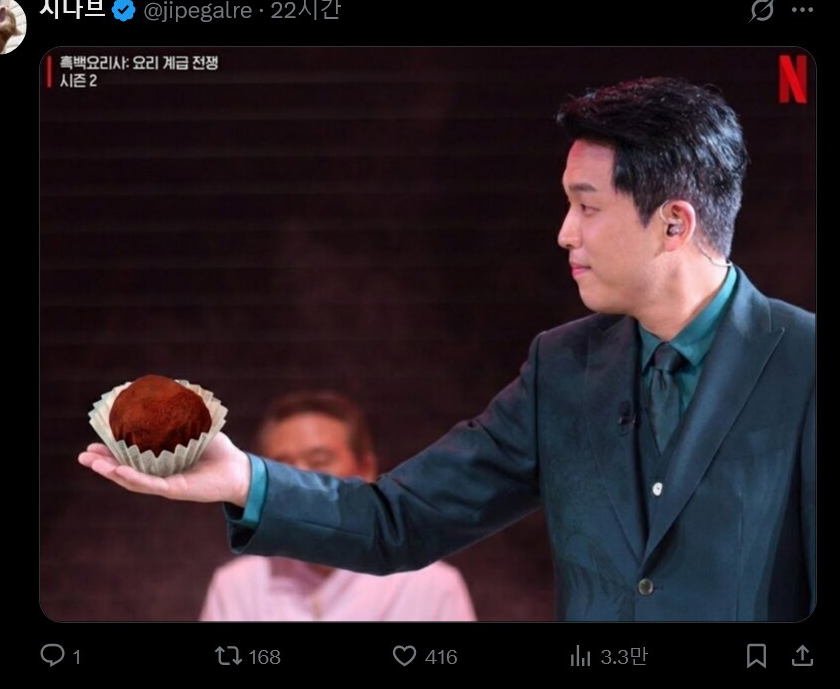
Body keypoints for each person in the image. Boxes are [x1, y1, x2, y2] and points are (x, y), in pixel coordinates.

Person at [80, 77, 815, 621]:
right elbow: (399, 520)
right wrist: (245, 479)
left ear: (675, 224)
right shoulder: (564, 369)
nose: (565, 232)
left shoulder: (804, 363)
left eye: (587, 206)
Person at [198, 391, 476, 621]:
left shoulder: (432, 586)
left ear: (365, 468)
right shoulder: (237, 585)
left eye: (319, 461)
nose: (297, 478)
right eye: (281, 467)